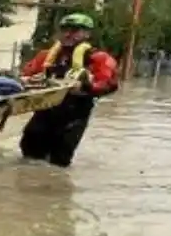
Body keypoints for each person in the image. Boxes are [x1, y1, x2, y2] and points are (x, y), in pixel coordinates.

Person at [18, 12, 118, 167]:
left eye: (74, 30)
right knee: (29, 148)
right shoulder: (46, 56)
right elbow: (26, 75)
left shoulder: (99, 58)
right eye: (64, 30)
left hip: (75, 114)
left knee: (60, 158)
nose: (68, 34)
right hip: (45, 110)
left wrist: (86, 87)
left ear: (87, 34)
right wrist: (27, 80)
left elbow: (109, 84)